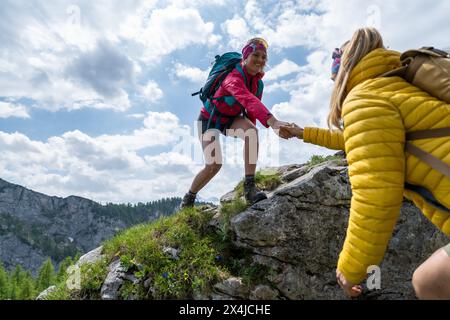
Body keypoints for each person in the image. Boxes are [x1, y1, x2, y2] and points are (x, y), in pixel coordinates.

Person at [282, 27, 450, 299]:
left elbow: (376, 194)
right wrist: (303, 133)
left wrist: (351, 268)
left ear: (341, 75)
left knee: (430, 282)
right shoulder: (397, 85)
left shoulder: (363, 97)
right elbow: (357, 139)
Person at [181, 38, 291, 209]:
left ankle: (249, 189)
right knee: (213, 166)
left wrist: (251, 134)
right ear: (245, 56)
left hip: (229, 120)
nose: (260, 60)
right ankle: (188, 199)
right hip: (208, 120)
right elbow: (247, 99)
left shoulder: (258, 84)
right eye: (256, 55)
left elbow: (251, 111)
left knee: (252, 132)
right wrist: (274, 122)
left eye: (264, 57)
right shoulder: (233, 77)